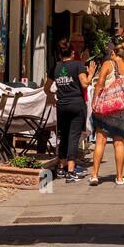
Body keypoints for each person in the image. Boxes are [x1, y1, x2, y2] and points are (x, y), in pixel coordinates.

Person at [45, 40, 93, 182]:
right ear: (72, 53)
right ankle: (71, 171)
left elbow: (46, 88)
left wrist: (52, 97)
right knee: (73, 137)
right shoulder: (78, 65)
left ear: (60, 55)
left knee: (64, 136)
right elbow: (84, 84)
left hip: (62, 105)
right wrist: (90, 73)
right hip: (76, 104)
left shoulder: (56, 67)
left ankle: (61, 168)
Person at [89, 42, 124, 186]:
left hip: (106, 108)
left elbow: (100, 83)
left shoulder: (108, 64)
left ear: (113, 53)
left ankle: (95, 175)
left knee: (100, 140)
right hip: (121, 110)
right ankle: (120, 177)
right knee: (119, 143)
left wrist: (94, 101)